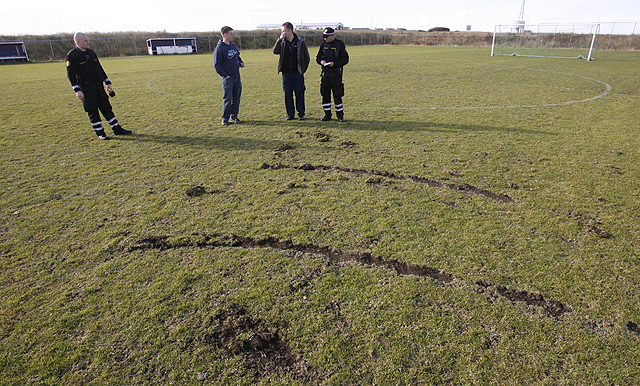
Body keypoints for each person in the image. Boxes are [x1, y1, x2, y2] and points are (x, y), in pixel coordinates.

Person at [66, 32, 131, 140]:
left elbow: (99, 68)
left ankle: (117, 129)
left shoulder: (91, 53)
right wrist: (77, 90)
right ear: (77, 42)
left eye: (88, 40)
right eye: (85, 41)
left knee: (106, 107)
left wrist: (107, 82)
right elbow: (70, 75)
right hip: (86, 88)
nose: (88, 42)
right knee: (92, 110)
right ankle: (100, 132)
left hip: (98, 86)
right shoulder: (72, 56)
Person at [272, 22, 311, 121]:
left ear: (289, 31)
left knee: (299, 93)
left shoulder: (300, 42)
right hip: (286, 73)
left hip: (297, 73)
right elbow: (275, 51)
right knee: (287, 94)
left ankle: (301, 113)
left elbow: (307, 57)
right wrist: (279, 39)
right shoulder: (282, 41)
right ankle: (290, 114)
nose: (283, 33)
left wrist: (302, 70)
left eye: (284, 31)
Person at [316, 27, 349, 122]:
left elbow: (345, 59)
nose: (325, 39)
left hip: (336, 74)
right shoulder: (323, 45)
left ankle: (340, 116)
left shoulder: (339, 44)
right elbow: (318, 58)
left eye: (327, 37)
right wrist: (321, 62)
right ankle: (327, 115)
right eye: (324, 37)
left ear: (332, 36)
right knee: (325, 95)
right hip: (325, 74)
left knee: (337, 95)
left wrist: (334, 64)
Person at [213, 26, 245, 126]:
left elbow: (237, 57)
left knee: (236, 97)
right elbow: (216, 65)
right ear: (225, 34)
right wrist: (225, 75)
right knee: (227, 98)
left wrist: (241, 62)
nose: (233, 35)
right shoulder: (219, 48)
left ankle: (234, 116)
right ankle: (225, 118)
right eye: (231, 33)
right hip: (228, 78)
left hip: (236, 76)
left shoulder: (233, 46)